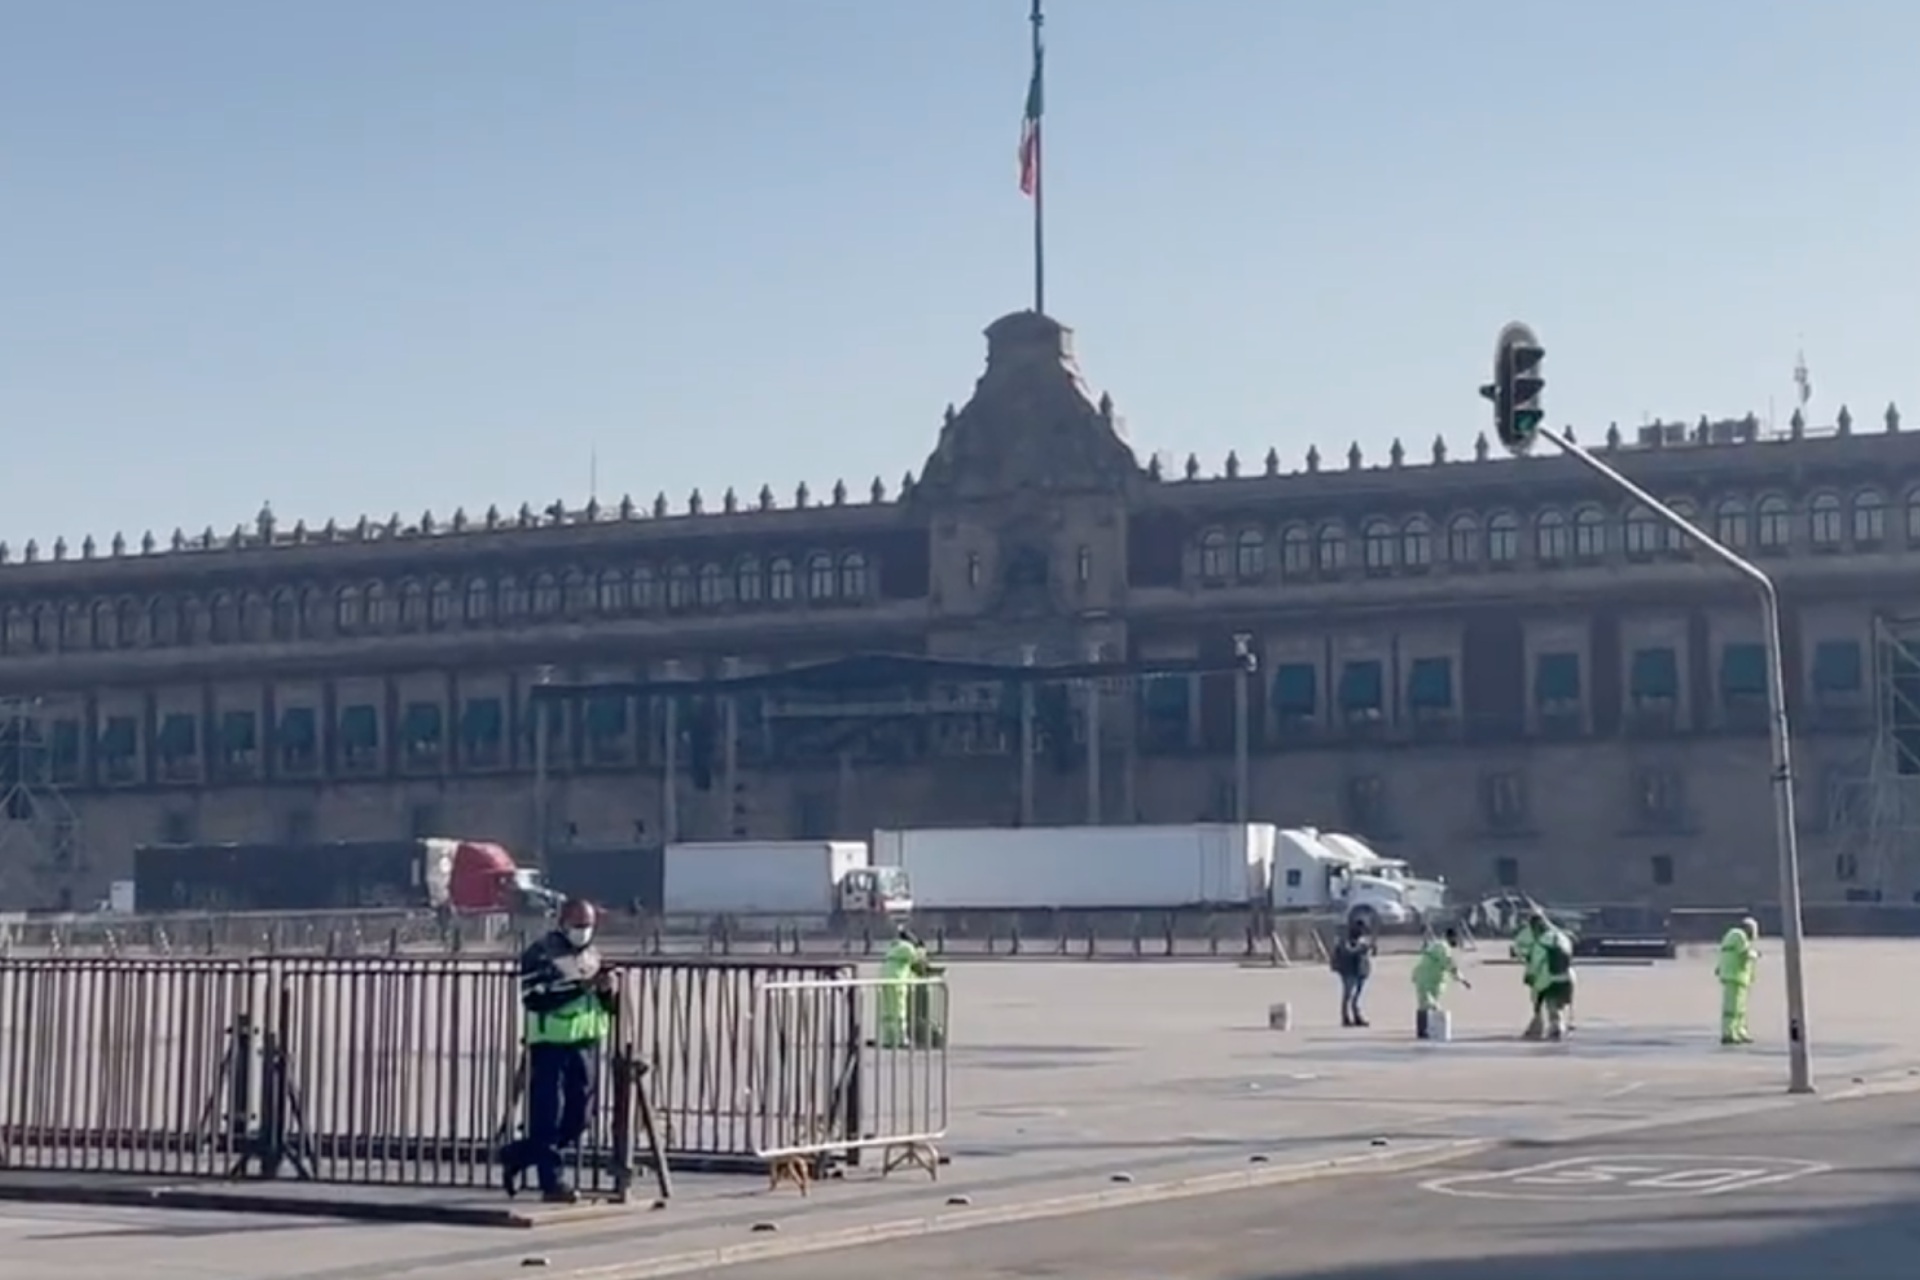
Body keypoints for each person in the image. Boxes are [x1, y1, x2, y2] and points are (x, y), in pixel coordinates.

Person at [500, 897, 615, 1203]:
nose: (583, 931)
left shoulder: (593, 955)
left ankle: (518, 1154)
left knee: (580, 1117)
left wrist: (606, 991)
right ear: (562, 923)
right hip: (550, 1043)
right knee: (547, 1115)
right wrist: (581, 987)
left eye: (588, 925)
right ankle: (552, 1183)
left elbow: (607, 1006)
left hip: (585, 1042)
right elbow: (534, 998)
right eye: (577, 925)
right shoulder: (540, 954)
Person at [879, 925, 932, 1048]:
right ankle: (901, 1038)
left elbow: (907, 966)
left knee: (888, 1009)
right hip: (897, 980)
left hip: (885, 976)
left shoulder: (894, 947)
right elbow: (918, 959)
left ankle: (887, 1038)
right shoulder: (907, 948)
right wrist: (922, 949)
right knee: (899, 1009)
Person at [1412, 927, 1469, 1039]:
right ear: (1451, 937)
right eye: (1456, 939)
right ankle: (1427, 1031)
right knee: (1430, 1006)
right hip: (1426, 979)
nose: (1457, 942)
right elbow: (1450, 965)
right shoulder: (1443, 948)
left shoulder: (1439, 946)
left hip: (1430, 980)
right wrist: (1462, 979)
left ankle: (1424, 1031)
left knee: (1425, 1006)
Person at [1715, 916, 1760, 1045]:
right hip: (1735, 976)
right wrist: (1755, 955)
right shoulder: (1739, 936)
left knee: (1740, 1008)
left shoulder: (1731, 935)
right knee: (1732, 1008)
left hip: (1736, 976)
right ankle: (1729, 1033)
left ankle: (1739, 1031)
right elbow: (1744, 953)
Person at [1532, 916, 1576, 1041]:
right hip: (1568, 977)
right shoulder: (1563, 937)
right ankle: (1561, 1025)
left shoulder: (1541, 941)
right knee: (1560, 1005)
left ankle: (1556, 1028)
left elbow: (1537, 965)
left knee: (1551, 1005)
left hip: (1551, 978)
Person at [1330, 918, 1375, 1028]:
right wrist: (1360, 948)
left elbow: (1369, 953)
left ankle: (1357, 1016)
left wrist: (1368, 948)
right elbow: (1347, 951)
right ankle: (1345, 1018)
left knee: (1356, 996)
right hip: (1349, 970)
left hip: (1360, 970)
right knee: (1348, 995)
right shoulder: (1345, 940)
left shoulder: (1363, 940)